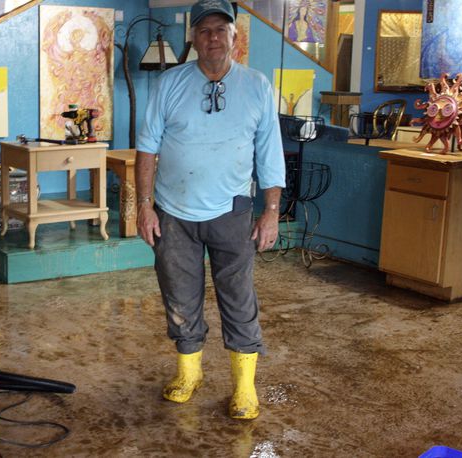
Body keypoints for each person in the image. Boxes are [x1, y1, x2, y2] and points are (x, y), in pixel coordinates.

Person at [135, 0, 285, 420]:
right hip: (173, 214)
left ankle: (244, 387)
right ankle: (189, 373)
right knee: (179, 296)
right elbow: (147, 148)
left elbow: (270, 155)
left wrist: (270, 210)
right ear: (194, 38)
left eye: (221, 30)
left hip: (232, 211)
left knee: (238, 298)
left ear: (235, 38)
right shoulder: (169, 83)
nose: (213, 38)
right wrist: (144, 207)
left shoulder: (256, 86)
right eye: (204, 31)